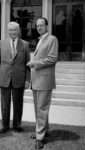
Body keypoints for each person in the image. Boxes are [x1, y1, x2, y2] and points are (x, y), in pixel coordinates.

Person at [27, 18, 58, 149]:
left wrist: (34, 64)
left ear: (47, 26)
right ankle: (44, 131)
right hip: (37, 80)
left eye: (42, 25)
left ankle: (40, 138)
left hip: (45, 80)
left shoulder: (52, 39)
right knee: (39, 108)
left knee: (41, 108)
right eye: (37, 26)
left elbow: (53, 59)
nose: (39, 27)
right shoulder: (40, 40)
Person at [0, 21, 30, 134]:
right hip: (4, 78)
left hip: (19, 78)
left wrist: (28, 79)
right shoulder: (1, 43)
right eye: (10, 30)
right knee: (5, 104)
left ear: (18, 31)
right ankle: (5, 126)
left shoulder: (25, 44)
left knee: (18, 103)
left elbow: (27, 64)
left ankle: (17, 125)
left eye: (15, 30)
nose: (13, 32)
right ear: (8, 31)